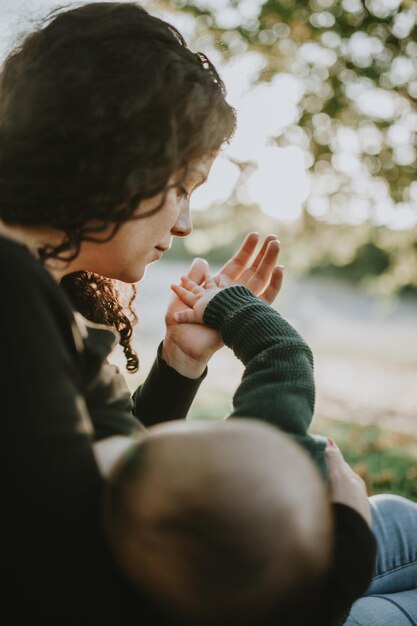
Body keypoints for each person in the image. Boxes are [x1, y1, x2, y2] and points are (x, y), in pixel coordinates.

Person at [0, 2, 414, 624]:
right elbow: (84, 585)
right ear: (119, 156)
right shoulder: (11, 301)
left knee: (406, 520)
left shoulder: (37, 289)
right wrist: (346, 538)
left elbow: (126, 490)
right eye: (183, 186)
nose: (187, 224)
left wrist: (180, 363)